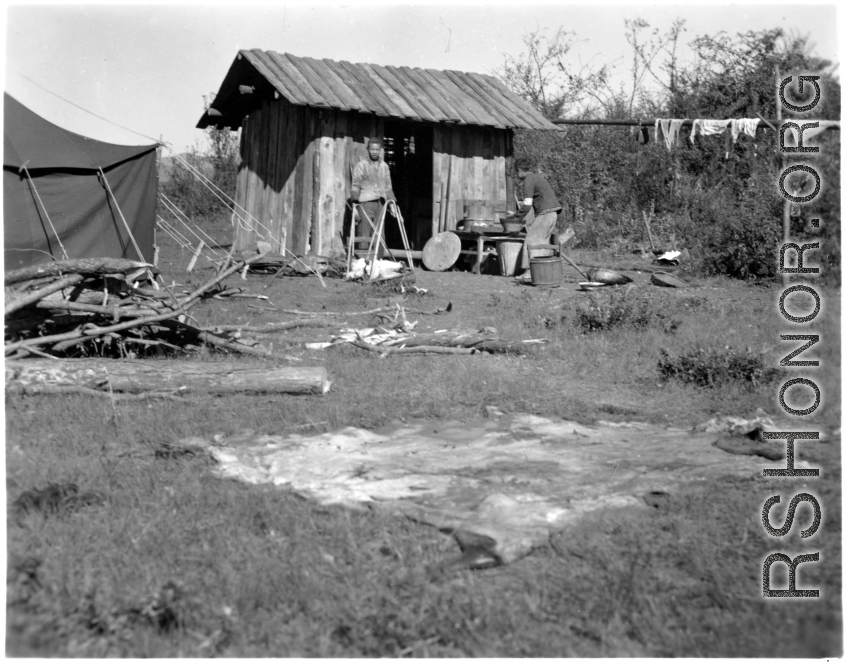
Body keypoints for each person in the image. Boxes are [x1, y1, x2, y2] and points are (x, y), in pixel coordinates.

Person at [509, 158, 562, 282]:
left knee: (531, 241)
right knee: (542, 243)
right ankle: (544, 272)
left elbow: (527, 204)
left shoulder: (528, 179)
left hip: (546, 213)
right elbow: (531, 205)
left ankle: (529, 272)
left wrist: (515, 217)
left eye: (517, 173)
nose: (517, 176)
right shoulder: (536, 178)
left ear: (519, 170)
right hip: (552, 213)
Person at [350, 138, 395, 259]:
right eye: (372, 149)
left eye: (377, 150)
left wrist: (391, 204)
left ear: (380, 150)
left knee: (380, 232)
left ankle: (378, 260)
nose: (375, 152)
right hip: (365, 203)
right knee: (364, 231)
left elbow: (388, 186)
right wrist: (355, 204)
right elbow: (355, 186)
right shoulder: (361, 166)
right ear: (368, 150)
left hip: (380, 203)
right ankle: (363, 262)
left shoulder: (384, 166)